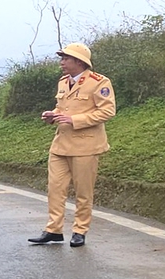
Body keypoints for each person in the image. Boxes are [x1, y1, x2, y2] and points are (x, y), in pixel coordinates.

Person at [27, 42, 115, 248]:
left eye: (66, 59)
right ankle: (53, 230)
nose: (62, 62)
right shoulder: (63, 82)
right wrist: (53, 115)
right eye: (62, 58)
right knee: (55, 189)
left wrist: (75, 120)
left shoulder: (98, 82)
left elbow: (107, 111)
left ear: (79, 61)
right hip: (60, 145)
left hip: (86, 146)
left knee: (84, 192)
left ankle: (80, 230)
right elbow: (62, 107)